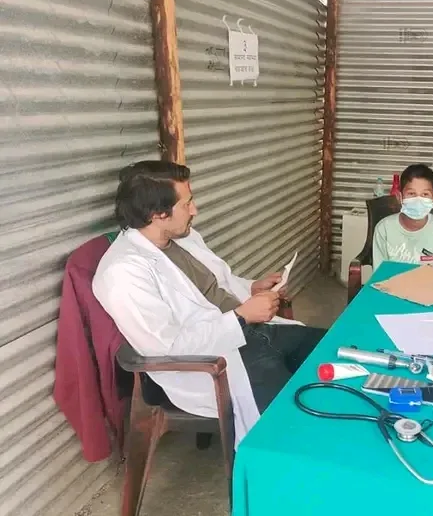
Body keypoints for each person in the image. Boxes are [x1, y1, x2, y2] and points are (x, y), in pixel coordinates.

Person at [92, 160, 326, 447]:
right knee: (286, 426)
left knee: (334, 354)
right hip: (215, 362)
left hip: (251, 333)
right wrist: (240, 317)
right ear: (158, 214)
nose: (195, 210)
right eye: (187, 204)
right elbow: (168, 348)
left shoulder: (182, 238)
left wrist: (251, 287)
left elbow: (216, 283)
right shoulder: (122, 273)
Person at [372, 164, 433, 271]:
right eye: (411, 193)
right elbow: (379, 274)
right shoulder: (383, 229)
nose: (418, 200)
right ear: (399, 197)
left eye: (425, 194)